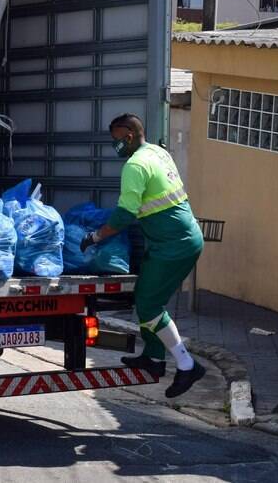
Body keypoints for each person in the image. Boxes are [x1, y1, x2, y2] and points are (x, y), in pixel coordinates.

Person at [81, 114, 205, 398]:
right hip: (179, 238)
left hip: (173, 245)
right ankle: (153, 357)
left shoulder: (135, 165)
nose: (114, 145)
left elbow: (125, 214)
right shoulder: (158, 152)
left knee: (148, 305)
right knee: (149, 298)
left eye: (116, 139)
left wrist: (95, 237)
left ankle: (187, 365)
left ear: (129, 135)